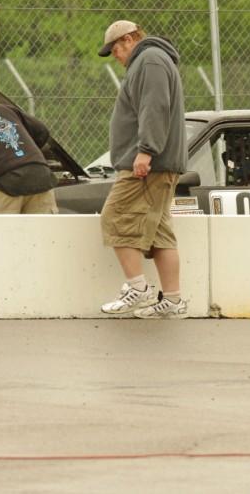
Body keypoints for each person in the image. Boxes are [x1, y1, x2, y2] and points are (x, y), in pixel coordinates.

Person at [96, 20, 188, 319]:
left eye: (115, 49)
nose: (115, 56)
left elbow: (155, 106)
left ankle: (138, 288)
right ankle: (172, 301)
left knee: (115, 216)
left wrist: (146, 151)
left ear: (129, 38)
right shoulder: (153, 61)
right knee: (160, 233)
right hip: (158, 165)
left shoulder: (149, 60)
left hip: (150, 165)